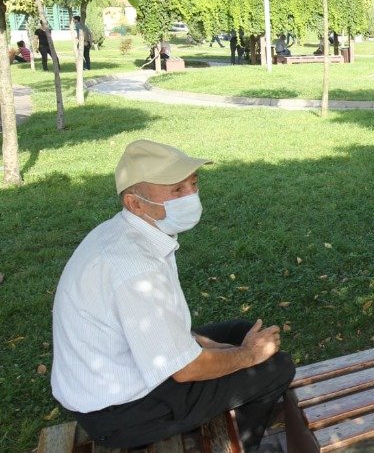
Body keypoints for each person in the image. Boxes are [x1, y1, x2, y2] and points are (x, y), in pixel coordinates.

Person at [51, 140, 295, 452]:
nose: (191, 196)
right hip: (122, 413)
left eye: (193, 184)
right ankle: (240, 445)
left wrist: (217, 346)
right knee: (276, 367)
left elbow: (160, 328)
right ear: (135, 203)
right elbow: (185, 370)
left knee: (237, 332)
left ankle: (218, 416)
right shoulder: (135, 269)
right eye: (176, 190)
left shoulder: (130, 233)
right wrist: (248, 356)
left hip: (124, 371)